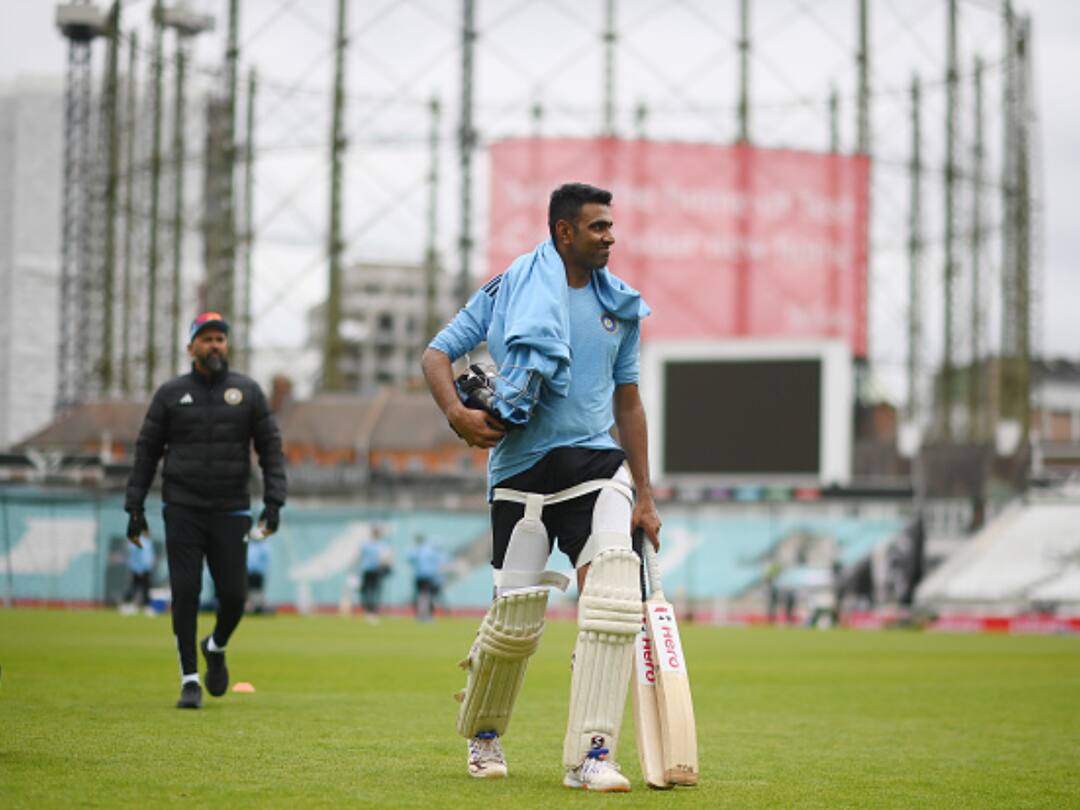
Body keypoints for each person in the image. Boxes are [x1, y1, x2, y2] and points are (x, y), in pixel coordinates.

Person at [421, 183, 661, 791]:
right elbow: (436, 355)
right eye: (599, 227)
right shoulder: (508, 288)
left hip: (595, 463)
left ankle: (593, 755)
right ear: (564, 233)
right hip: (519, 469)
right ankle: (484, 739)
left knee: (611, 600)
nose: (610, 236)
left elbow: (628, 403)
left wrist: (647, 494)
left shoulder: (622, 307)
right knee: (514, 624)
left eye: (611, 226)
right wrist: (458, 413)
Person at [124, 311, 287, 710]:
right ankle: (190, 679)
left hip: (232, 507)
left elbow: (270, 449)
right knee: (186, 592)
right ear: (191, 347)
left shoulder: (247, 392)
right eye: (207, 338)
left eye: (220, 338)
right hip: (182, 507)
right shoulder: (169, 394)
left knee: (234, 596)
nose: (215, 345)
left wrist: (273, 502)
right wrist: (135, 506)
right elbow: (146, 452)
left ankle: (215, 646)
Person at [406, 534, 445, 621]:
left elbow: (409, 559)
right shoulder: (429, 550)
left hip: (419, 575)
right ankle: (428, 614)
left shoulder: (415, 550)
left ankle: (420, 614)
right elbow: (437, 563)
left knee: (420, 595)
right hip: (428, 575)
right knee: (427, 595)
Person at [358, 526, 393, 623]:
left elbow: (359, 556)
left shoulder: (369, 544)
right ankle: (371, 611)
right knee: (371, 591)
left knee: (371, 591)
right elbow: (387, 558)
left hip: (373, 570)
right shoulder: (379, 545)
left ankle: (371, 612)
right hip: (372, 570)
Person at [121, 530, 156, 615]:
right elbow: (136, 556)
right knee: (135, 587)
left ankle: (146, 606)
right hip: (139, 569)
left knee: (145, 588)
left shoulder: (148, 542)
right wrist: (139, 568)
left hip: (147, 569)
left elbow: (149, 555)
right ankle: (127, 604)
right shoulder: (138, 541)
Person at [246, 536, 272, 615]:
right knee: (249, 592)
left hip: (257, 574)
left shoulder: (263, 547)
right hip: (250, 573)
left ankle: (258, 607)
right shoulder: (252, 546)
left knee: (256, 592)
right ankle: (252, 608)